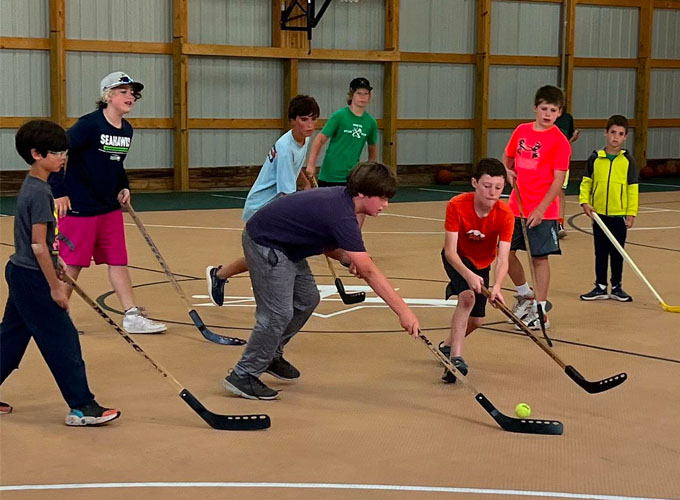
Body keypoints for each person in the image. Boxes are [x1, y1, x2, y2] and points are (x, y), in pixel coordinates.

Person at [222, 162, 420, 400]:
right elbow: (370, 272)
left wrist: (349, 259)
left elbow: (328, 246)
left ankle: (270, 352)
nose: (386, 205)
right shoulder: (341, 215)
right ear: (362, 193)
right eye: (382, 198)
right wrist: (404, 312)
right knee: (277, 313)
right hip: (267, 243)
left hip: (289, 246)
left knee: (307, 300)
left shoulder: (345, 205)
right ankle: (244, 374)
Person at [0, 120, 120, 426]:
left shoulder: (38, 186)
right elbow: (38, 245)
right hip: (32, 278)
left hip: (23, 272)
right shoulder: (39, 192)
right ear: (37, 154)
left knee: (11, 339)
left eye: (64, 151)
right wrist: (55, 286)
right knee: (63, 341)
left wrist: (57, 262)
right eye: (56, 152)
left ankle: (82, 404)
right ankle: (82, 406)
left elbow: (44, 245)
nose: (63, 157)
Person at [48, 71, 166, 334]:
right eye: (123, 92)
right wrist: (58, 191)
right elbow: (59, 152)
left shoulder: (126, 129)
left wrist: (123, 186)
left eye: (132, 93)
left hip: (108, 206)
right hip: (79, 207)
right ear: (107, 96)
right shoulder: (88, 126)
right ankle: (57, 316)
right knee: (73, 263)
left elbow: (116, 163)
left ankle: (131, 315)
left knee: (118, 259)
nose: (130, 97)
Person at [206, 95, 320, 306]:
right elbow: (288, 197)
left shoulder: (302, 138)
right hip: (264, 206)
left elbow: (297, 166)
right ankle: (222, 275)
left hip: (275, 205)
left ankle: (220, 275)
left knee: (265, 254)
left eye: (313, 119)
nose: (310, 125)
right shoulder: (285, 148)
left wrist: (305, 182)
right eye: (305, 119)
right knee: (267, 254)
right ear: (292, 120)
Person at [437, 158, 514, 383]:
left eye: (498, 188)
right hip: (458, 259)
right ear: (474, 183)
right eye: (487, 186)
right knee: (467, 298)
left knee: (477, 320)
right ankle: (455, 359)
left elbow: (503, 257)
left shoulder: (505, 214)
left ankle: (447, 346)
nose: (492, 192)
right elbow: (450, 251)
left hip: (483, 264)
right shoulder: (457, 205)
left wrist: (498, 286)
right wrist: (468, 274)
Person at [502, 85, 571, 330]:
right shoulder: (521, 131)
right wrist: (507, 171)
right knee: (505, 253)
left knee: (539, 259)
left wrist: (541, 209)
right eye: (544, 108)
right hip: (515, 206)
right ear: (535, 108)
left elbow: (558, 180)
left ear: (559, 112)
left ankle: (541, 310)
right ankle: (524, 295)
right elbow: (508, 157)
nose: (547, 113)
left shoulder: (560, 142)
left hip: (543, 211)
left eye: (553, 110)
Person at [579, 115, 638, 302]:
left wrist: (631, 212)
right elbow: (586, 183)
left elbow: (632, 188)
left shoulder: (628, 160)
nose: (615, 137)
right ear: (606, 133)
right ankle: (601, 286)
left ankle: (617, 286)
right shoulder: (595, 158)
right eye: (612, 132)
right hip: (599, 215)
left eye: (620, 134)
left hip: (619, 214)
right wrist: (584, 202)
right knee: (601, 251)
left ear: (625, 137)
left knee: (618, 252)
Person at [305, 77, 378, 186]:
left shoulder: (371, 122)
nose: (362, 97)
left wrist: (370, 173)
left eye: (366, 94)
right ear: (352, 94)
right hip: (330, 175)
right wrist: (311, 164)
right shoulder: (339, 116)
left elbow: (372, 151)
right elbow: (320, 140)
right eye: (359, 93)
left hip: (352, 177)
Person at [554, 105, 580, 238]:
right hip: (546, 162)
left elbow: (566, 143)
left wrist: (572, 139)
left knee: (560, 192)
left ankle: (559, 224)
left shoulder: (567, 118)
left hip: (562, 162)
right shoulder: (546, 119)